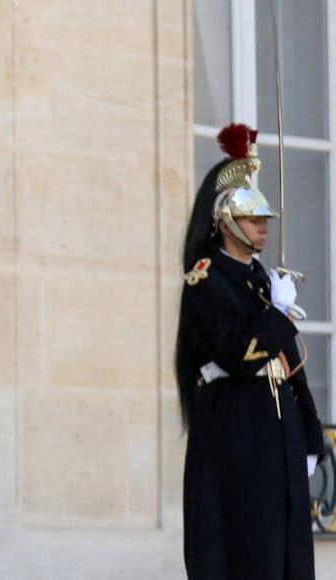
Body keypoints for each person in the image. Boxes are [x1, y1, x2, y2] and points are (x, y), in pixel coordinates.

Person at [175, 123, 325, 579]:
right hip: (237, 436)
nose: (263, 228)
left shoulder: (262, 279)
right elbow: (242, 356)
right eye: (254, 219)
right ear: (226, 221)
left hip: (276, 436)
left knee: (289, 557)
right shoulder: (206, 281)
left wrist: (310, 433)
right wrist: (278, 314)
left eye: (264, 220)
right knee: (250, 553)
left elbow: (288, 366)